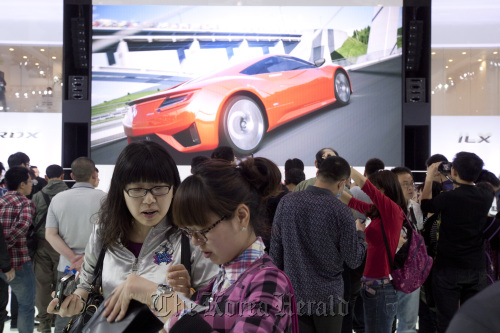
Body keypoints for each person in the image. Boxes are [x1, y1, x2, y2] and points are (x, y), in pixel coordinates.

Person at [47, 141, 218, 326]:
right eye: (137, 190)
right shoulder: (104, 231)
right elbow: (87, 284)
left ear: (173, 188)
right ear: (122, 192)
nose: (149, 200)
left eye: (159, 188)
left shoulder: (190, 237)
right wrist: (76, 302)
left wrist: (186, 296)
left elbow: (214, 311)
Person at [166, 157, 296, 332]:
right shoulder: (220, 279)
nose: (195, 241)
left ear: (241, 216)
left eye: (203, 230)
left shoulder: (269, 282)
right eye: (189, 232)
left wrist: (169, 310)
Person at [271, 156, 367, 333]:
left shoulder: (287, 202)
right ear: (342, 183)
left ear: (317, 173)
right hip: (328, 298)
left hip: (295, 294)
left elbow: (276, 252)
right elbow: (353, 259)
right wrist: (360, 234)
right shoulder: (341, 211)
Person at [420, 152, 494, 333]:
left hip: (448, 269)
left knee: (447, 322)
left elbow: (426, 206)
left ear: (454, 171)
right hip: (476, 268)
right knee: (474, 321)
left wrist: (429, 178)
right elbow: (470, 189)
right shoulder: (485, 194)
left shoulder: (448, 198)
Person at [339, 167, 406, 333]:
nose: (370, 192)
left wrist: (344, 166)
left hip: (381, 288)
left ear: (382, 189)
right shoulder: (378, 213)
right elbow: (352, 202)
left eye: (374, 188)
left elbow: (364, 184)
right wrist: (335, 188)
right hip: (372, 286)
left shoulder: (392, 210)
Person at [45, 157, 107, 332]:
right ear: (94, 174)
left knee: (64, 312)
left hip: (67, 268)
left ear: (71, 175)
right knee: (98, 316)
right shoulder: (105, 199)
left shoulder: (58, 199)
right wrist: (86, 259)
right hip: (98, 269)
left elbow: (50, 234)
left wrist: (73, 258)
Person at [31, 164, 68, 333]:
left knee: (42, 284)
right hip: (64, 245)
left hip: (42, 244)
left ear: (46, 178)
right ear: (62, 176)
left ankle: (44, 322)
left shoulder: (38, 195)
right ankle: (60, 318)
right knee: (63, 283)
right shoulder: (69, 195)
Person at [0, 166, 36, 333]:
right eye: (30, 181)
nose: (32, 185)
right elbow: (21, 228)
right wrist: (4, 249)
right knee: (26, 305)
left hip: (3, 262)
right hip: (19, 262)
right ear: (22, 184)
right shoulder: (26, 203)